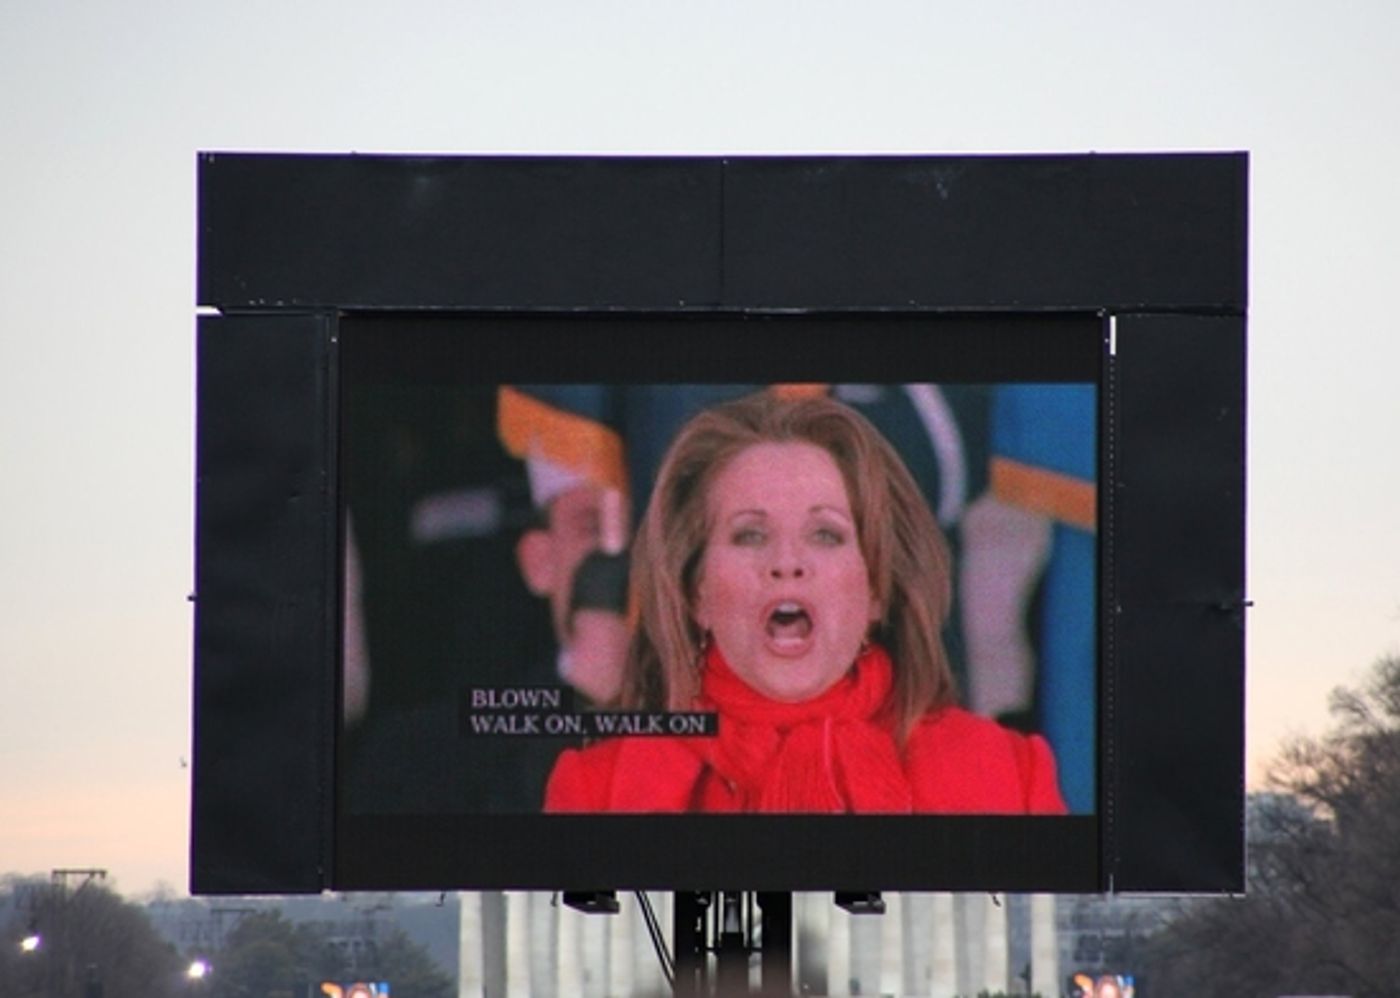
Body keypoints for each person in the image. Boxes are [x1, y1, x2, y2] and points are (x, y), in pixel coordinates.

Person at [544, 392, 1068, 814]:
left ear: (877, 590)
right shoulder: (596, 790)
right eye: (750, 535)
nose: (787, 562)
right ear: (696, 592)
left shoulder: (1007, 775)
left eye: (825, 534)